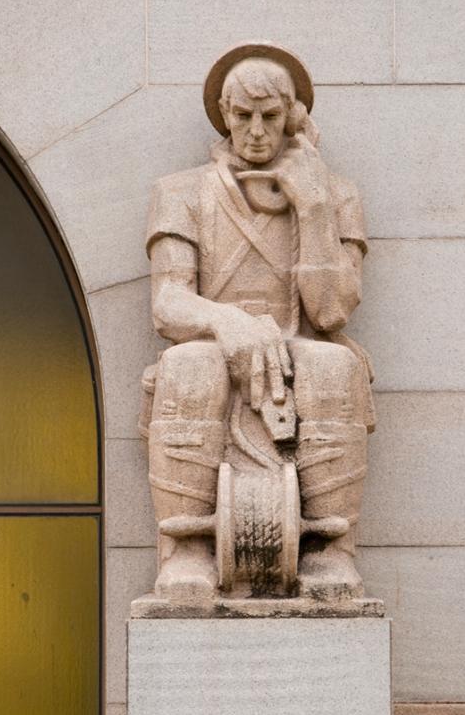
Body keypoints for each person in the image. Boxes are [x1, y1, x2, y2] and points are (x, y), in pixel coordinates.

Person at [143, 42, 375, 600]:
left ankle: (330, 549)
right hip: (217, 340)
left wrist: (312, 205)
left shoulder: (337, 196)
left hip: (298, 344)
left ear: (294, 117)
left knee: (334, 366)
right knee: (189, 366)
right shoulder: (181, 191)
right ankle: (186, 548)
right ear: (224, 114)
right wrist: (229, 324)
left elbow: (331, 310)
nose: (255, 131)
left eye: (270, 117)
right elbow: (169, 301)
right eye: (242, 116)